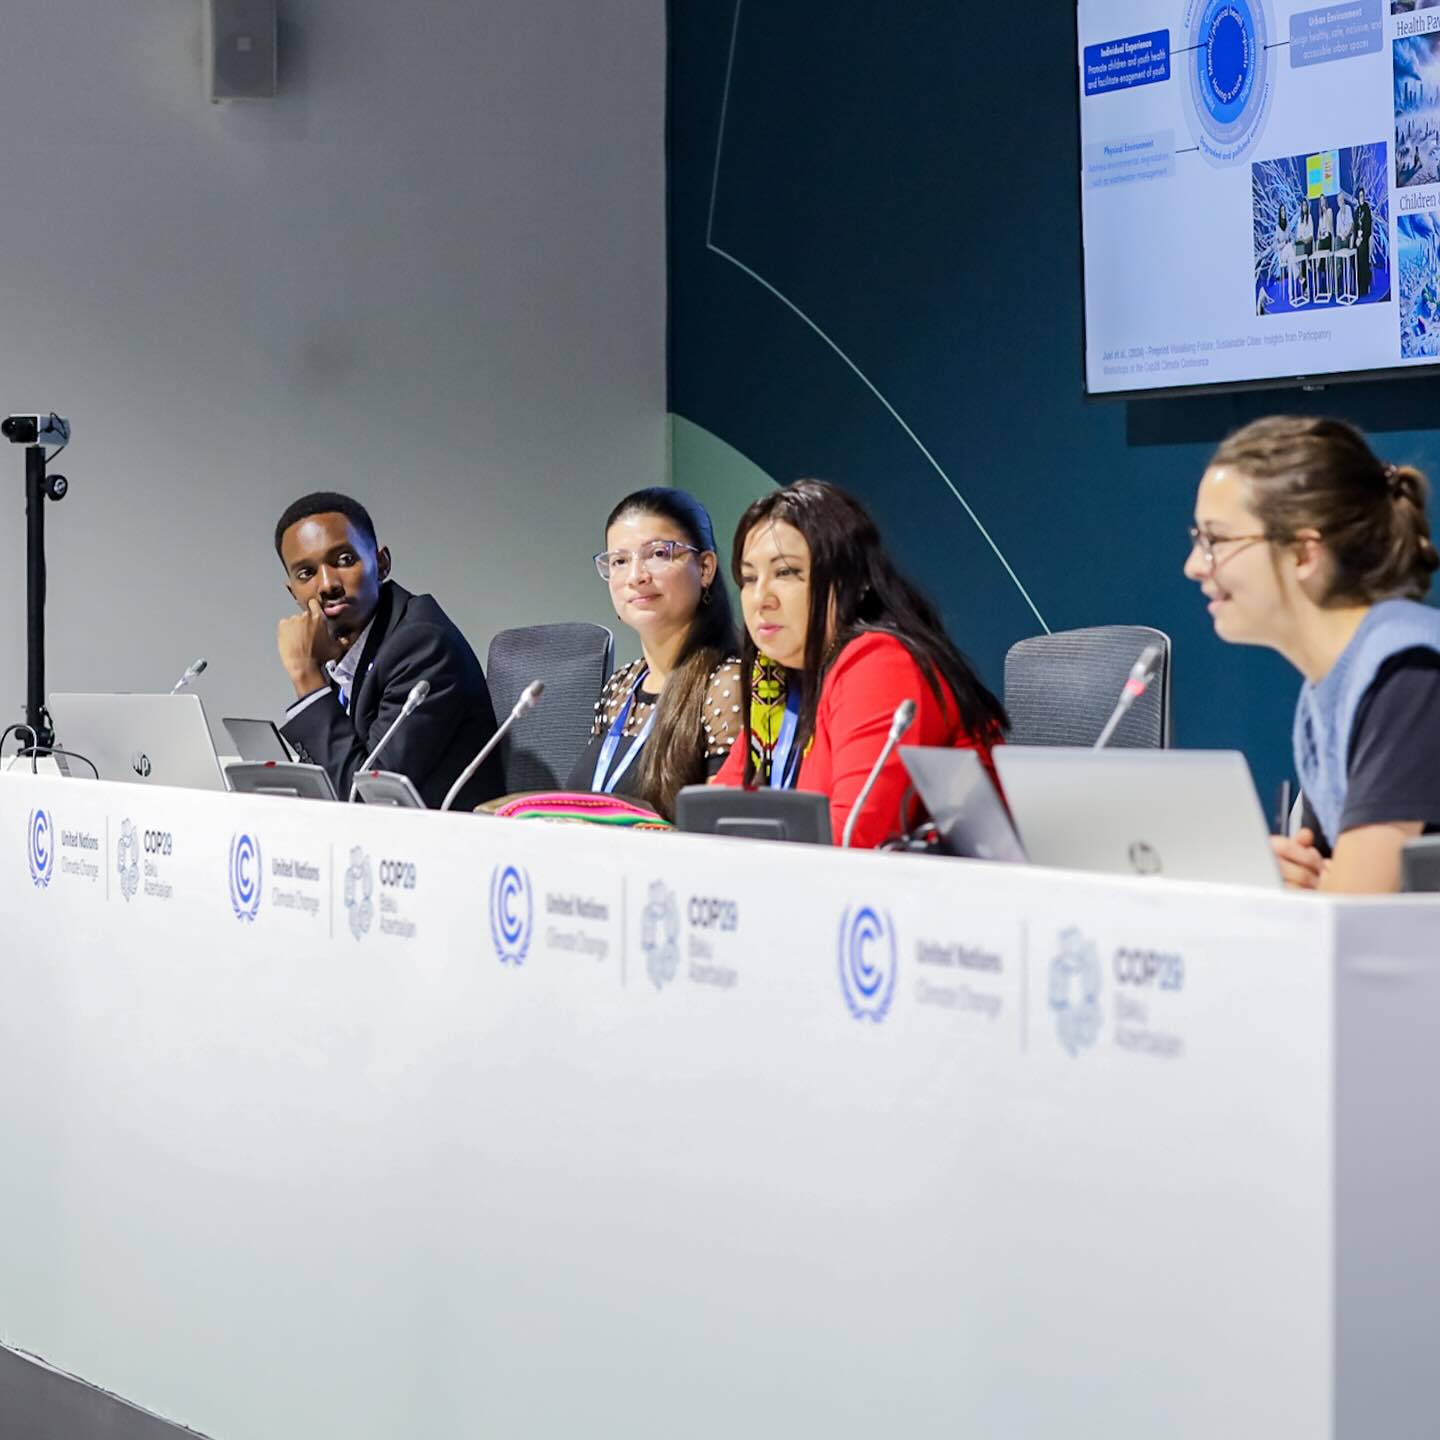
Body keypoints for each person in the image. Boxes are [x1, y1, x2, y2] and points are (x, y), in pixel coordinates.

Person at [1183, 416, 1440, 893]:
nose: (1195, 566)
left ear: (1304, 553)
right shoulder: (1327, 691)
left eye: (1215, 541)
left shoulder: (1409, 673)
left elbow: (1356, 913)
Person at [712, 479, 1007, 849]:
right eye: (750, 578)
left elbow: (852, 841)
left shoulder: (880, 662)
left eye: (786, 573)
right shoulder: (774, 682)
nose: (760, 598)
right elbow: (712, 818)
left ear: (852, 582)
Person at [274, 491, 504, 808]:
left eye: (343, 560)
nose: (327, 584)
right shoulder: (344, 649)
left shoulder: (422, 646)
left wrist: (306, 676)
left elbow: (366, 799)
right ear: (293, 592)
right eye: (307, 573)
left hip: (446, 847)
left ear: (381, 563)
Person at [568, 488, 742, 819]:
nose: (636, 576)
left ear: (705, 568)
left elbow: (725, 833)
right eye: (619, 561)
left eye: (659, 554)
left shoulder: (727, 684)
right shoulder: (621, 687)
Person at [1355, 186, 1374, 297]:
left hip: (1365, 239)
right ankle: (1358, 286)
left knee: (1362, 253)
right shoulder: (1357, 210)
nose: (1361, 198)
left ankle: (1364, 286)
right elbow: (1356, 226)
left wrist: (1362, 238)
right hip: (1357, 239)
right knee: (1355, 256)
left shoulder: (1367, 209)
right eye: (1359, 196)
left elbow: (1368, 226)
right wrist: (1357, 239)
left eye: (1363, 196)